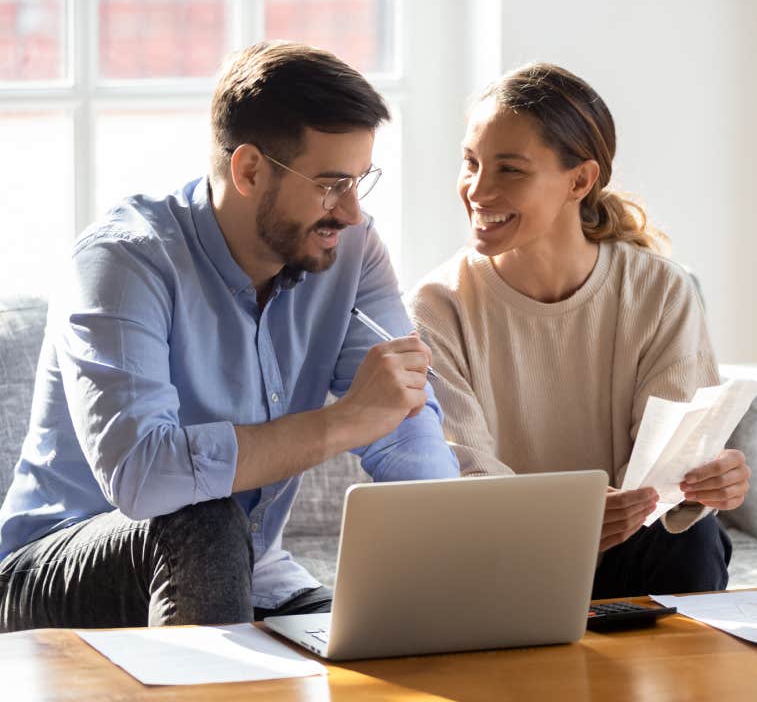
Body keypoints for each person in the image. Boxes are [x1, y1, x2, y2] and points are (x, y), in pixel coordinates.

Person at [0, 41, 459, 631]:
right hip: (55, 566)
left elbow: (402, 420)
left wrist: (460, 542)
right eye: (330, 184)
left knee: (391, 645)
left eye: (359, 182)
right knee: (204, 519)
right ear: (248, 170)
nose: (349, 212)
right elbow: (143, 476)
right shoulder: (123, 262)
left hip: (251, 569)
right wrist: (342, 421)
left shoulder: (351, 250)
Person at [406, 63, 750, 597]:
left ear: (580, 180)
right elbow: (463, 477)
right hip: (504, 555)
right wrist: (570, 519)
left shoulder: (661, 291)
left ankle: (687, 680)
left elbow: (670, 470)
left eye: (509, 170)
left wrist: (705, 483)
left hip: (635, 545)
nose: (477, 189)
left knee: (691, 538)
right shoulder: (437, 306)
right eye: (470, 163)